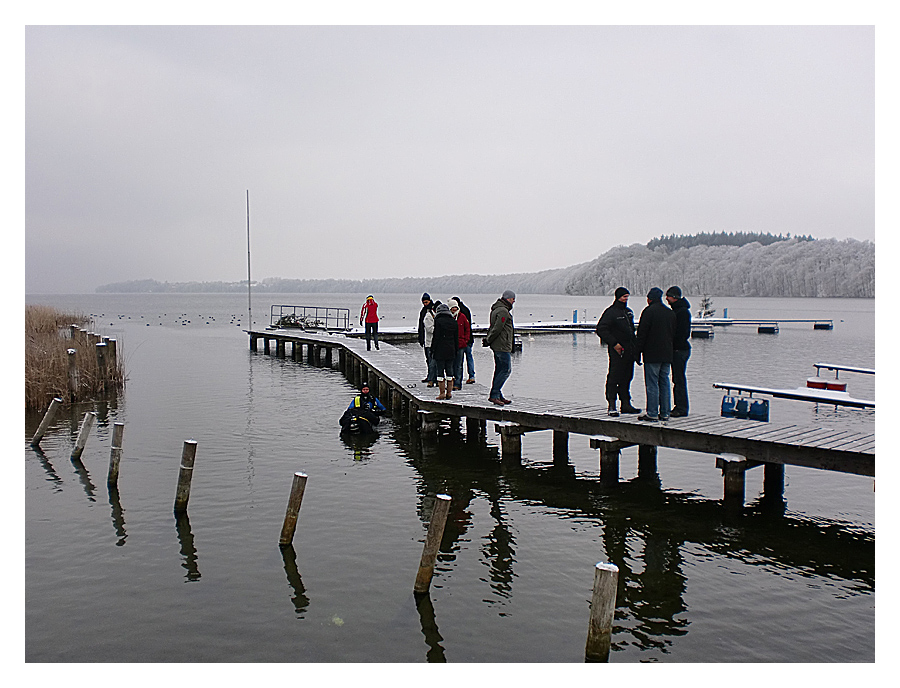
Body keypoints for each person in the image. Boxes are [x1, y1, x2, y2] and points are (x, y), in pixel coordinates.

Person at [595, 287, 642, 416]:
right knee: (614, 377)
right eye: (624, 297)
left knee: (627, 377)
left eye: (627, 297)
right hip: (617, 351)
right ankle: (612, 405)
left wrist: (636, 349)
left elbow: (632, 332)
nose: (626, 299)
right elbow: (601, 329)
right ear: (618, 297)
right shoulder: (611, 312)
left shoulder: (628, 312)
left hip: (629, 351)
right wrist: (614, 343)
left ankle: (625, 404)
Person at [635, 287, 675, 422]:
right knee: (664, 382)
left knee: (652, 383)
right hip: (667, 353)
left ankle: (652, 413)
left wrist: (637, 352)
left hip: (652, 354)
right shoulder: (670, 313)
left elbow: (642, 334)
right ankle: (665, 413)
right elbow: (673, 334)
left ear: (649, 299)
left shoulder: (648, 312)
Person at [483, 290, 515, 405]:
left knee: (499, 370)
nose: (514, 301)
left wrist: (489, 340)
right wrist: (489, 339)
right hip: (501, 345)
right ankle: (494, 394)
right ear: (507, 299)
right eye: (512, 299)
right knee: (506, 370)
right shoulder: (503, 311)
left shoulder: (497, 309)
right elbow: (497, 328)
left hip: (499, 345)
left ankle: (498, 394)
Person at [665, 286, 692, 417]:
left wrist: (672, 343)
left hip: (679, 350)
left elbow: (682, 333)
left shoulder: (681, 312)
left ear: (674, 297)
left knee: (679, 379)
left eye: (668, 296)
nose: (666, 299)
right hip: (680, 349)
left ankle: (681, 407)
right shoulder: (680, 311)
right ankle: (680, 406)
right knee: (678, 379)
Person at [431, 302, 459, 399]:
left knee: (440, 372)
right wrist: (456, 350)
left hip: (440, 350)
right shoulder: (454, 322)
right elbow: (456, 338)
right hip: (451, 349)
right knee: (450, 371)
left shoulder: (438, 321)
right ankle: (449, 392)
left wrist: (432, 349)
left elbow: (436, 337)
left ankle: (442, 392)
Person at [452, 296, 476, 383]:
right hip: (468, 339)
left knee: (459, 361)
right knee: (469, 357)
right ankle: (472, 376)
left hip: (462, 340)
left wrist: (465, 339)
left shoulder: (459, 313)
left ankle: (458, 378)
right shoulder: (466, 309)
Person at [449, 299, 470, 391]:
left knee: (459, 365)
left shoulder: (462, 317)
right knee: (450, 364)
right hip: (450, 345)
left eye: (455, 307)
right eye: (452, 308)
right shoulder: (448, 318)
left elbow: (467, 329)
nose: (454, 309)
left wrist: (465, 340)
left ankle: (458, 383)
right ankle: (451, 382)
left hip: (461, 345)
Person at [417, 294, 436, 386]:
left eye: (426, 302)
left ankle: (432, 377)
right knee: (428, 359)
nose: (425, 304)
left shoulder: (432, 311)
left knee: (432, 360)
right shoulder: (423, 311)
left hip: (431, 340)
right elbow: (421, 325)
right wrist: (420, 337)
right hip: (425, 339)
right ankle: (430, 376)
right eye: (423, 302)